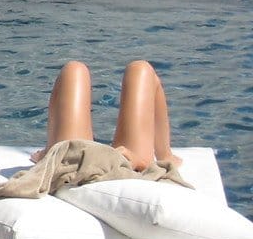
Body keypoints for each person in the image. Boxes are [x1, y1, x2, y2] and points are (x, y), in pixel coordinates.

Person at [34, 59, 182, 171]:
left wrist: (50, 153)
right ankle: (165, 154)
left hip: (76, 165)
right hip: (125, 167)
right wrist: (146, 162)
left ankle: (49, 150)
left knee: (75, 69)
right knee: (141, 69)